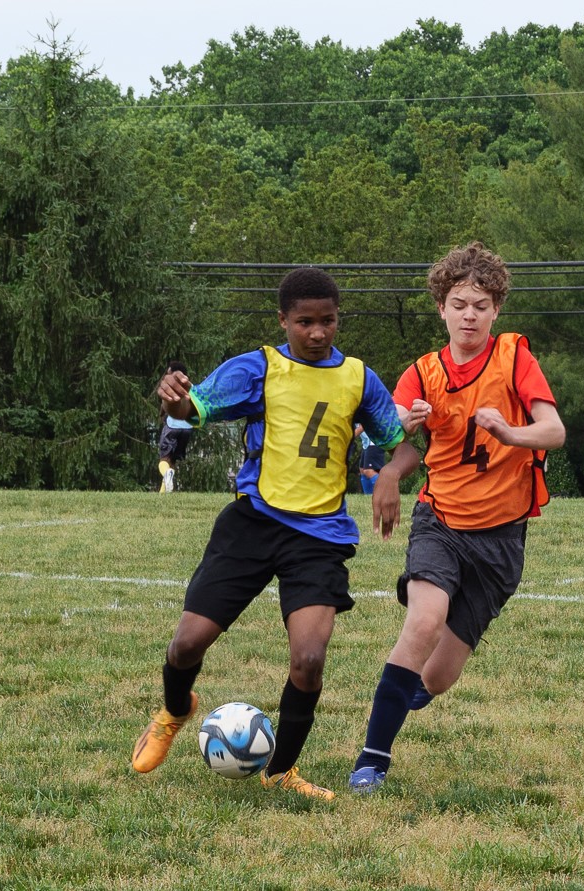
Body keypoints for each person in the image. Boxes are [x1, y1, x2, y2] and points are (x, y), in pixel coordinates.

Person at [131, 267, 415, 801]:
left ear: (338, 319)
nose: (317, 332)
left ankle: (281, 770)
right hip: (253, 524)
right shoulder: (258, 368)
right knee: (187, 644)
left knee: (309, 660)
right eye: (305, 322)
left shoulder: (359, 378)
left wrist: (392, 475)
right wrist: (174, 401)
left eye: (328, 321)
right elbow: (193, 408)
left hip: (320, 537)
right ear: (283, 320)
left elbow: (401, 441)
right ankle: (173, 710)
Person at [348, 241, 566, 793]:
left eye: (481, 305)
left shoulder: (514, 358)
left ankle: (403, 691)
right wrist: (402, 432)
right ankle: (372, 760)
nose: (470, 315)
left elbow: (554, 431)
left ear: (497, 311)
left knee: (439, 677)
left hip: (501, 538)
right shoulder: (423, 371)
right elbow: (389, 430)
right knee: (423, 621)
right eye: (460, 304)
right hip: (440, 519)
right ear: (441, 308)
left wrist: (510, 432)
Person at [157, 361, 194, 493]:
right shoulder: (190, 387)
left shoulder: (170, 386)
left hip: (172, 426)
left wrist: (161, 415)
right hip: (187, 428)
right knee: (173, 460)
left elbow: (164, 407)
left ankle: (166, 473)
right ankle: (164, 493)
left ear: (172, 371)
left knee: (164, 459)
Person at [354, 423, 388, 494]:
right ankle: (368, 495)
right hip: (367, 444)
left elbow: (364, 425)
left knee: (368, 470)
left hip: (374, 442)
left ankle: (386, 492)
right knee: (362, 470)